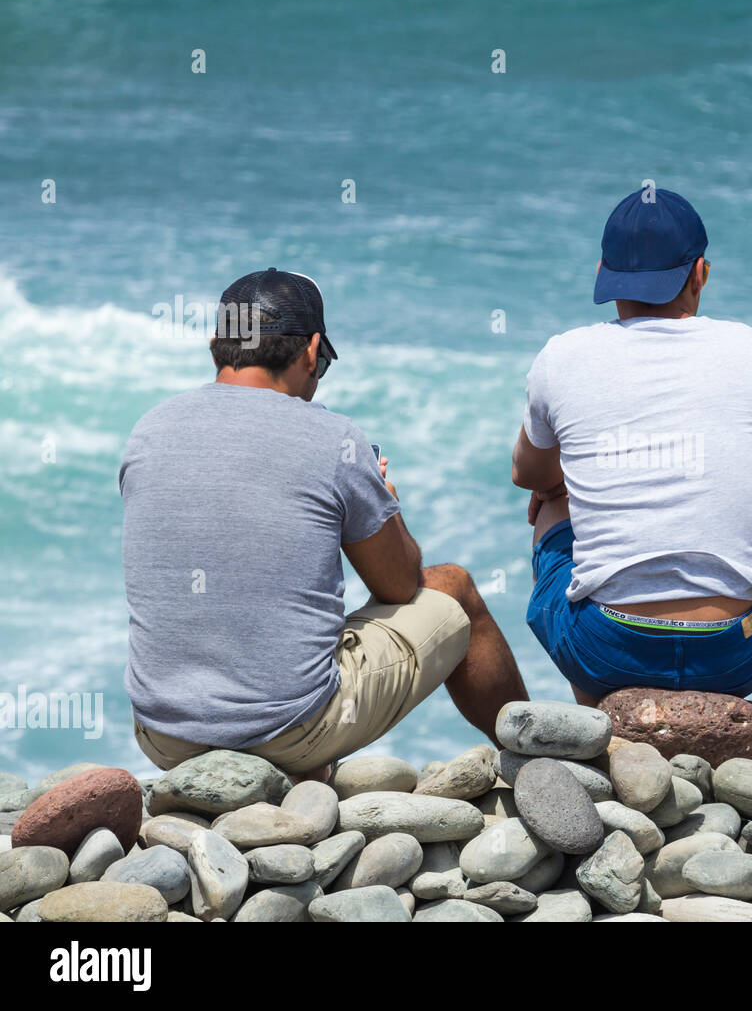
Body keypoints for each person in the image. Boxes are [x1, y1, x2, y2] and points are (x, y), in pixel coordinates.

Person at [121, 268, 527, 780]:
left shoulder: (148, 431)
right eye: (324, 363)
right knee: (456, 588)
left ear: (215, 346)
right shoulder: (333, 438)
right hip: (292, 727)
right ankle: (539, 765)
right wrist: (386, 507)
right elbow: (399, 586)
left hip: (163, 733)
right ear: (311, 351)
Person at [512, 187, 752, 706]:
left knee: (553, 500)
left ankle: (601, 719)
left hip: (609, 647)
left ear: (603, 273)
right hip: (739, 650)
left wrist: (561, 491)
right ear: (700, 274)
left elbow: (526, 473)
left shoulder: (563, 356)